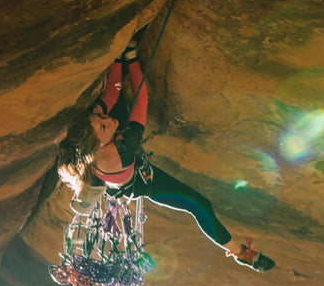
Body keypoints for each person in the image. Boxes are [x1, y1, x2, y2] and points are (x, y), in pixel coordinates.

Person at [56, 36, 274, 272]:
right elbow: (141, 98)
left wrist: (117, 57)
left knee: (116, 106)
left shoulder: (90, 127)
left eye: (101, 119)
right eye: (104, 126)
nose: (106, 120)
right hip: (141, 182)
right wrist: (132, 57)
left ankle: (96, 183)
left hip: (110, 165)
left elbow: (111, 91)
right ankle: (239, 252)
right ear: (99, 145)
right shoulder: (121, 149)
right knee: (199, 204)